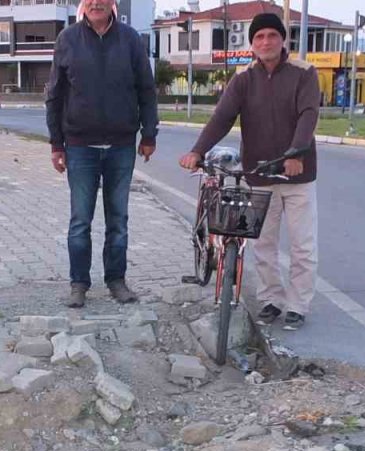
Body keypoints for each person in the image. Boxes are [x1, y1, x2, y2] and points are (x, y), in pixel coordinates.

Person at [179, 12, 319, 331]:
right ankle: (271, 300)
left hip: (297, 174)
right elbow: (222, 117)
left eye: (272, 35)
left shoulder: (304, 72)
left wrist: (296, 153)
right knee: (263, 244)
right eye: (259, 37)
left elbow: (308, 115)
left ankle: (298, 305)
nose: (266, 42)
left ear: (283, 39)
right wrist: (197, 151)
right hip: (258, 173)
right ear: (252, 43)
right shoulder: (243, 78)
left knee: (302, 245)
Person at [45, 0, 158, 308]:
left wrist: (149, 134)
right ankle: (78, 284)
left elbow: (146, 89)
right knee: (80, 220)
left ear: (113, 3)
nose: (96, 3)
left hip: (121, 146)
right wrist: (56, 144)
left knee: (118, 220)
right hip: (79, 147)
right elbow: (54, 95)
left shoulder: (130, 39)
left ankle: (116, 280)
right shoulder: (67, 39)